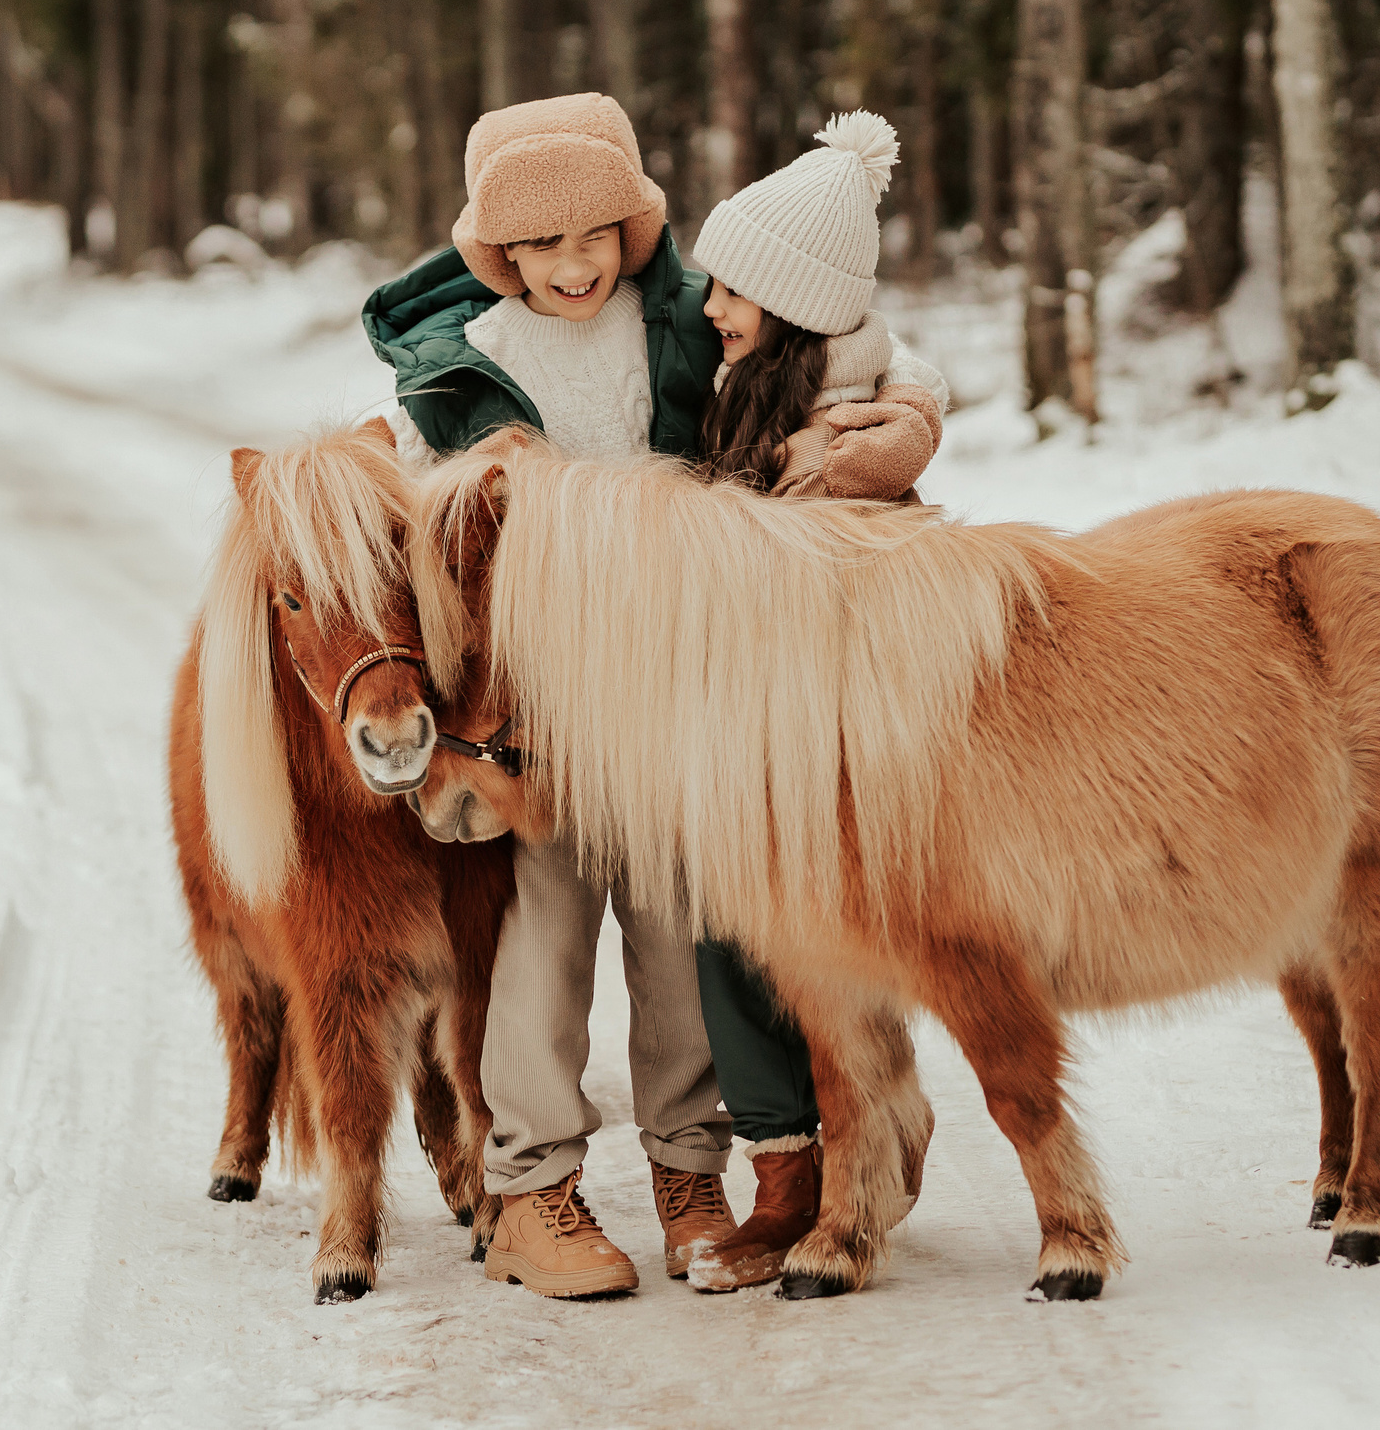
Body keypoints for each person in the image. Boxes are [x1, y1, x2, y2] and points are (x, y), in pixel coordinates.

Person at [361, 92, 739, 1299]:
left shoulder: (688, 326)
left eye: (592, 238)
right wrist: (473, 480)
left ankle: (691, 1171)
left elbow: (841, 356)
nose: (571, 269)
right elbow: (417, 519)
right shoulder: (477, 365)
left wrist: (899, 412)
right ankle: (533, 1189)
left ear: (633, 228)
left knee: (683, 938)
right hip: (537, 708)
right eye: (538, 246)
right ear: (496, 254)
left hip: (679, 684)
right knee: (544, 938)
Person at [677, 110, 951, 1292]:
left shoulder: (851, 436)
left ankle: (832, 1158)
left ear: (792, 300)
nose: (709, 308)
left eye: (732, 287)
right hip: (755, 719)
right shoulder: (751, 390)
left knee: (796, 943)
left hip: (840, 733)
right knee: (727, 932)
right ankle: (806, 1157)